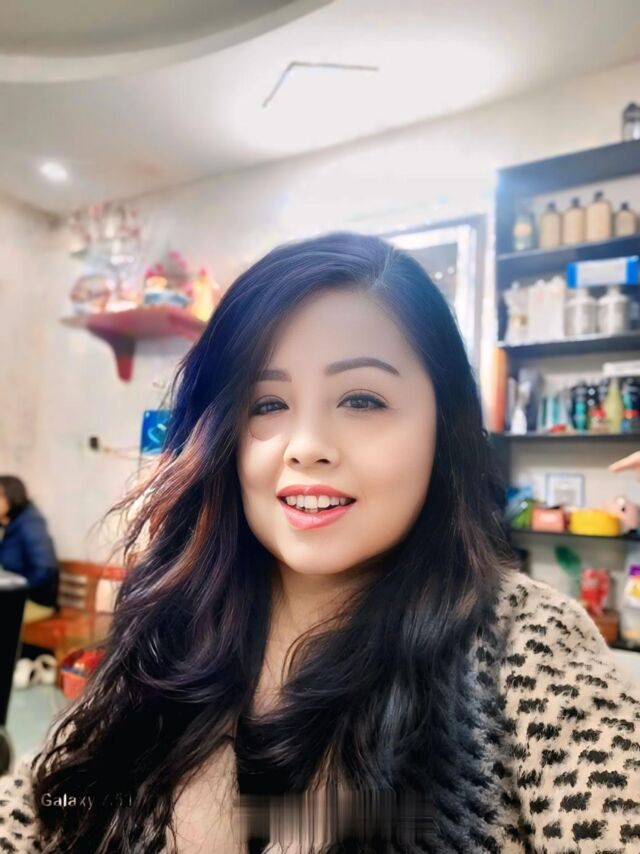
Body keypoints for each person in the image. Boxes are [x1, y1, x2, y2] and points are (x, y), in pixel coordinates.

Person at [0, 232, 639, 854]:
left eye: (361, 399)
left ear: (443, 427)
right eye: (266, 404)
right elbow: (48, 802)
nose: (306, 446)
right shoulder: (175, 616)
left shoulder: (521, 639)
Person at [0, 476, 58, 619]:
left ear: (12, 497)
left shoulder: (31, 525)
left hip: (35, 601)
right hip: (10, 596)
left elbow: (44, 571)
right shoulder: (6, 524)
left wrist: (11, 589)